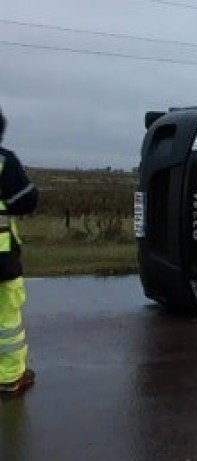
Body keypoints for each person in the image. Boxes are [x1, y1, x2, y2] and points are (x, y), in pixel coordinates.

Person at [0, 107, 39, 395]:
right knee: (7, 319)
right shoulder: (3, 161)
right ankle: (11, 377)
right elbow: (26, 201)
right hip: (1, 258)